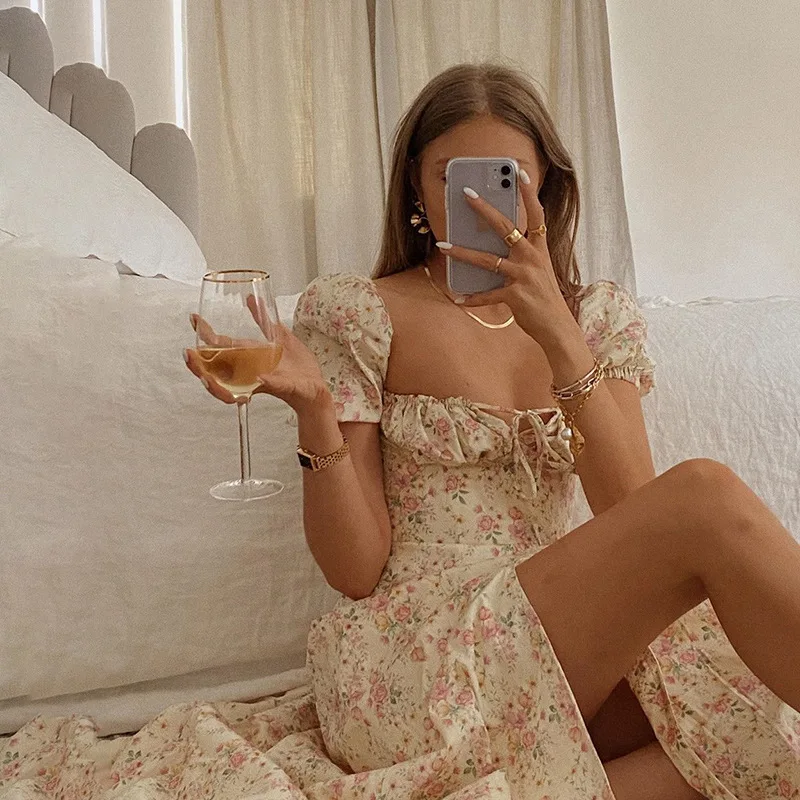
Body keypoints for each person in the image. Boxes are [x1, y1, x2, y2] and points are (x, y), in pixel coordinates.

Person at [186, 63, 800, 799]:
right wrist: (316, 409)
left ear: (545, 188)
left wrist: (560, 338)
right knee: (705, 497)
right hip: (421, 656)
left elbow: (631, 509)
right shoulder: (361, 311)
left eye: (504, 178)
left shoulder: (597, 318)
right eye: (454, 177)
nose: (478, 201)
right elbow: (355, 571)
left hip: (567, 638)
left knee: (755, 737)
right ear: (417, 189)